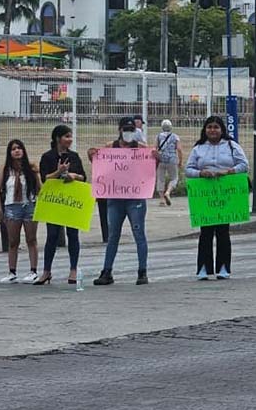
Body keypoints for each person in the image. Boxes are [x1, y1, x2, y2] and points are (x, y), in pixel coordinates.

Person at [90, 116, 160, 286]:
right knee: (113, 234)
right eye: (126, 130)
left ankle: (142, 271)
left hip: (135, 198)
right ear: (120, 130)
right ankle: (107, 271)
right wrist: (92, 155)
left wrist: (156, 158)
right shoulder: (110, 147)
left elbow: (149, 171)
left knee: (139, 233)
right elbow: (99, 164)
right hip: (115, 198)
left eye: (131, 130)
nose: (128, 133)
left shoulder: (141, 149)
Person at [184, 115, 249, 280]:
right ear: (205, 130)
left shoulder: (231, 146)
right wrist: (201, 173)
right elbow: (188, 170)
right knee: (205, 232)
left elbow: (244, 165)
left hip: (225, 193)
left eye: (216, 127)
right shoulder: (198, 148)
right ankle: (203, 268)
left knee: (223, 231)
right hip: (205, 195)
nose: (212, 130)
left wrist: (229, 172)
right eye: (209, 127)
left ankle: (223, 267)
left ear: (222, 130)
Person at [35, 125, 86, 285]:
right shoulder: (47, 157)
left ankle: (73, 269)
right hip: (54, 202)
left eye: (70, 136)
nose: (69, 140)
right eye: (66, 136)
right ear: (58, 138)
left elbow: (83, 177)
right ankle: (46, 271)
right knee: (52, 235)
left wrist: (74, 175)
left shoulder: (74, 156)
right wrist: (59, 172)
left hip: (71, 201)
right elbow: (45, 178)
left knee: (73, 234)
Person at [0, 139, 42, 283]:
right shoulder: (5, 169)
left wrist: (36, 174)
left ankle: (33, 271)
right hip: (11, 206)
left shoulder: (30, 168)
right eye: (13, 149)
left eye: (19, 148)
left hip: (29, 205)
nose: (17, 151)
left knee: (31, 239)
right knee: (13, 240)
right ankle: (12, 271)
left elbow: (39, 190)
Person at [155, 120, 183, 206]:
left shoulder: (158, 136)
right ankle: (168, 192)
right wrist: (180, 161)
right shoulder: (175, 137)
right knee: (174, 178)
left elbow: (155, 148)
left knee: (160, 179)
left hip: (161, 159)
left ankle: (161, 199)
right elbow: (179, 149)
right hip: (172, 159)